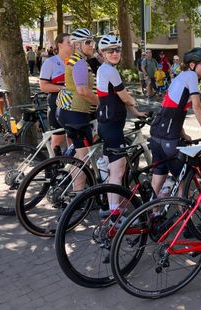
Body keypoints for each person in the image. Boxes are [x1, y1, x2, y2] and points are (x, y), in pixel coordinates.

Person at [149, 47, 201, 196]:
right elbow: (197, 106)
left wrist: (182, 133)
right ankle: (185, 218)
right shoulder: (191, 76)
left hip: (158, 133)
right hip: (168, 137)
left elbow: (175, 109)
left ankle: (151, 213)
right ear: (193, 65)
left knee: (159, 176)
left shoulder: (181, 77)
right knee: (184, 182)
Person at [95, 35, 146, 216]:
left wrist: (136, 113)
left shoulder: (104, 69)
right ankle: (114, 214)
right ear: (103, 52)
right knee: (118, 169)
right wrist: (135, 103)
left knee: (111, 168)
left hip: (107, 124)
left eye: (117, 49)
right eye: (110, 50)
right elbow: (124, 96)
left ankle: (108, 207)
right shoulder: (110, 71)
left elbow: (119, 98)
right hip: (112, 126)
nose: (115, 53)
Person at [56, 28, 98, 193]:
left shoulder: (77, 60)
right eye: (88, 42)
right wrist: (101, 103)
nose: (92, 46)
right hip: (75, 113)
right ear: (77, 45)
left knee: (79, 154)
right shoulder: (79, 62)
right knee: (83, 156)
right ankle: (78, 193)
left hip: (70, 111)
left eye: (92, 42)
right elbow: (83, 91)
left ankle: (73, 186)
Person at [39, 33, 74, 153]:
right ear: (60, 45)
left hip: (75, 105)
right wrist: (63, 88)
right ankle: (53, 167)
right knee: (57, 139)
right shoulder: (51, 62)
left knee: (74, 139)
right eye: (69, 42)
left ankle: (73, 168)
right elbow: (43, 86)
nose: (72, 45)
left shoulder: (77, 61)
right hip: (57, 103)